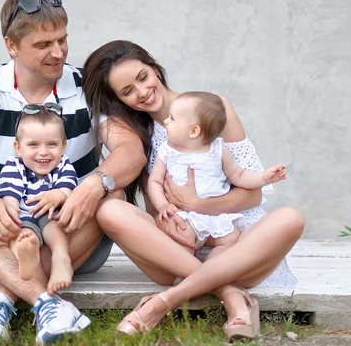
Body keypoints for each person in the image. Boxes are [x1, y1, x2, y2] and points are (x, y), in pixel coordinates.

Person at [0, 0, 147, 344]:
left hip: (75, 232)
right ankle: (47, 302)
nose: (59, 52)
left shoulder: (87, 87)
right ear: (11, 46)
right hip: (3, 235)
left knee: (112, 192)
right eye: (44, 44)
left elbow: (130, 150)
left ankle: (4, 297)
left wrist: (93, 185)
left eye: (63, 39)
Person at [82, 40, 304, 341]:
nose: (142, 92)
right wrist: (172, 224)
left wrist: (196, 204)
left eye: (143, 77)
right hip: (179, 250)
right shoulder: (138, 136)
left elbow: (251, 193)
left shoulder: (213, 108)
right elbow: (155, 209)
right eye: (127, 92)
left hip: (235, 242)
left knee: (290, 218)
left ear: (154, 67)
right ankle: (230, 293)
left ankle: (166, 301)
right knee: (109, 209)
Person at [149, 91, 288, 261]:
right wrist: (163, 205)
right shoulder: (167, 151)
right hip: (184, 215)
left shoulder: (218, 150)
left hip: (215, 214)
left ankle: (211, 270)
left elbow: (239, 175)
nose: (166, 121)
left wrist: (264, 178)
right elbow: (155, 181)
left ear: (193, 131)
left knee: (231, 238)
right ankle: (187, 274)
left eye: (172, 119)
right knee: (183, 238)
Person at [0, 104, 77, 295]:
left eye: (52, 144)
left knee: (54, 227)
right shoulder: (13, 166)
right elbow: (10, 197)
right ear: (18, 148)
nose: (43, 152)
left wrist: (59, 194)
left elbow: (68, 187)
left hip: (51, 214)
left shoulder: (63, 164)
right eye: (33, 145)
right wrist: (11, 217)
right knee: (21, 233)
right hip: (25, 215)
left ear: (63, 146)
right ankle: (26, 255)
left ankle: (60, 257)